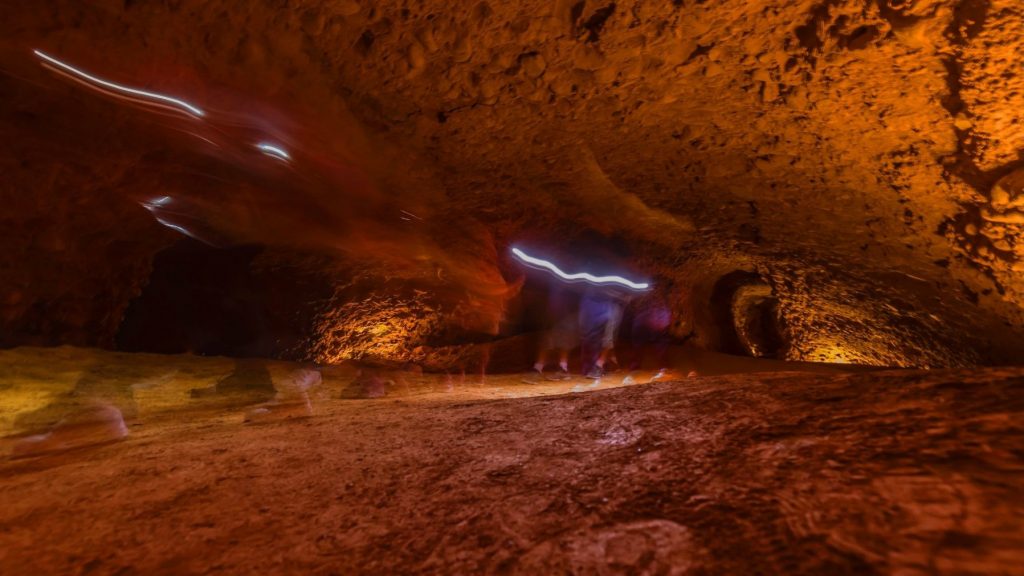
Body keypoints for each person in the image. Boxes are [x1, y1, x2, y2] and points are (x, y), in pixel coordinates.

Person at [523, 286, 577, 383]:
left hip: (565, 308)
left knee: (563, 337)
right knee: (547, 338)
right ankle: (538, 368)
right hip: (552, 307)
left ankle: (562, 368)